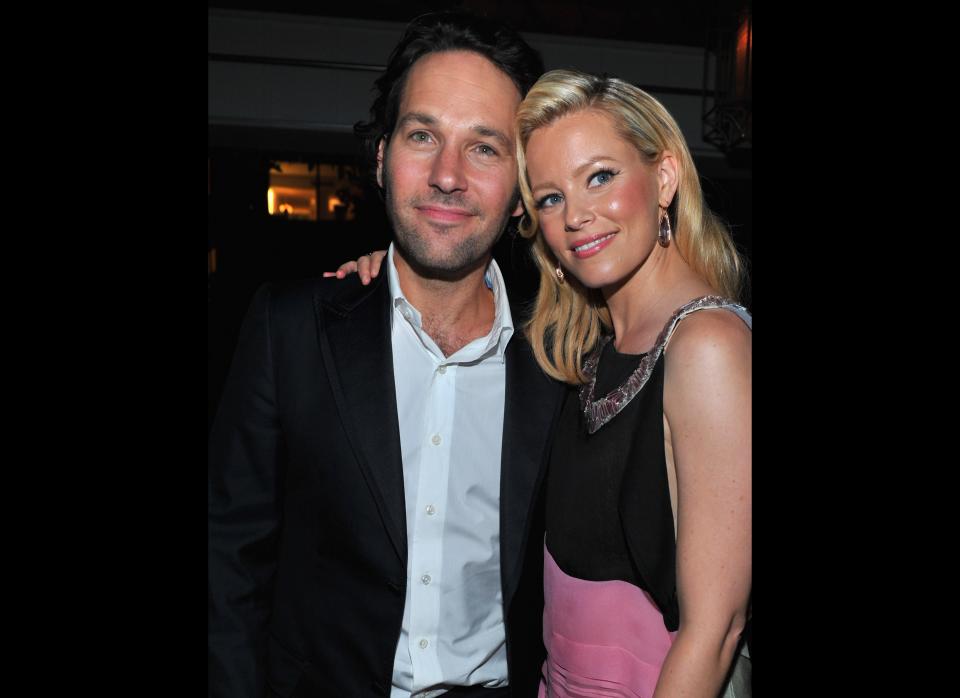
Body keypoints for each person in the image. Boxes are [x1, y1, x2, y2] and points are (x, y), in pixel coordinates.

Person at [341, 70, 752, 697]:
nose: (578, 216)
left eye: (601, 176)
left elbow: (716, 629)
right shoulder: (583, 346)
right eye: (551, 198)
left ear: (664, 177)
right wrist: (387, 280)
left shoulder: (708, 346)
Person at [207, 12, 562, 698]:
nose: (448, 175)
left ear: (522, 189)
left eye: (484, 148)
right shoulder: (291, 329)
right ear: (380, 158)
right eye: (423, 135)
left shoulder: (563, 355)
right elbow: (228, 562)